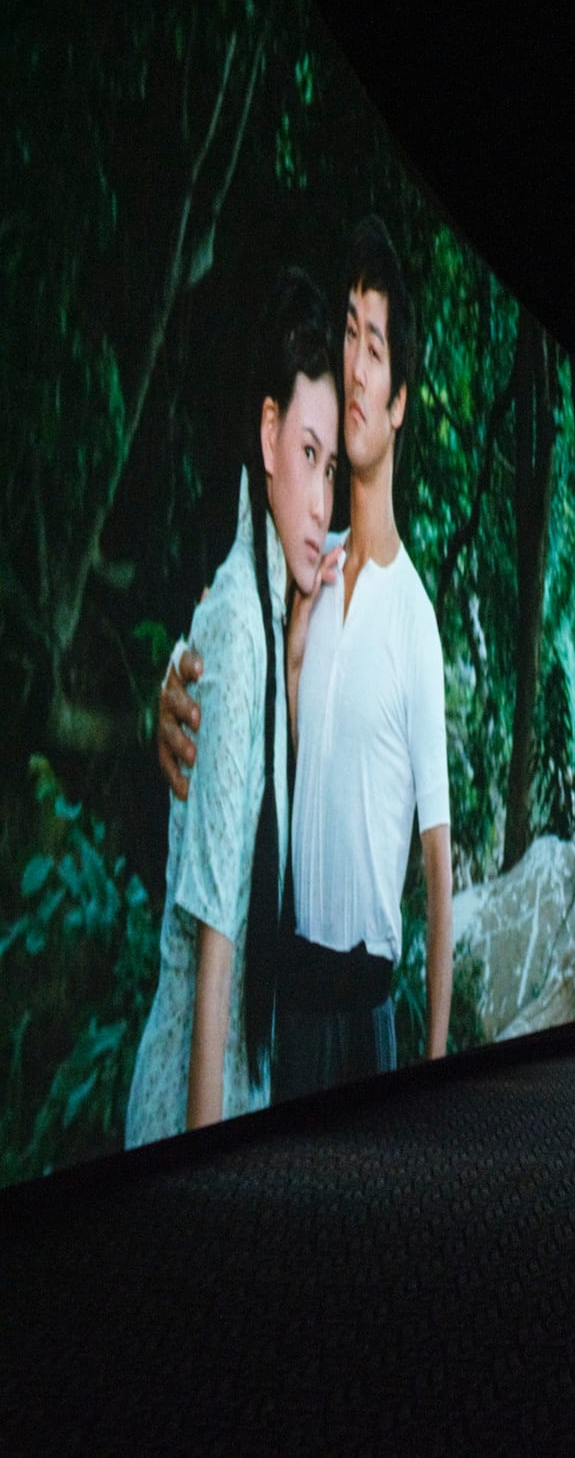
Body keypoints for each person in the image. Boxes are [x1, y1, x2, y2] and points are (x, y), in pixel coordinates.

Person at [158, 217, 455, 1098]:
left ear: (398, 402)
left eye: (375, 348)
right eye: (350, 337)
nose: (356, 367)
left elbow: (437, 862)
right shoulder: (304, 568)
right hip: (284, 1001)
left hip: (367, 1003)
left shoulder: (414, 617)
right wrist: (170, 691)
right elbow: (224, 646)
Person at [126, 269, 339, 1146]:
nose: (322, 502)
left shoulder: (265, 616)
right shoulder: (236, 626)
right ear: (267, 433)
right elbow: (216, 956)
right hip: (193, 1100)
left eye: (332, 469)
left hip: (241, 1089)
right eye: (307, 455)